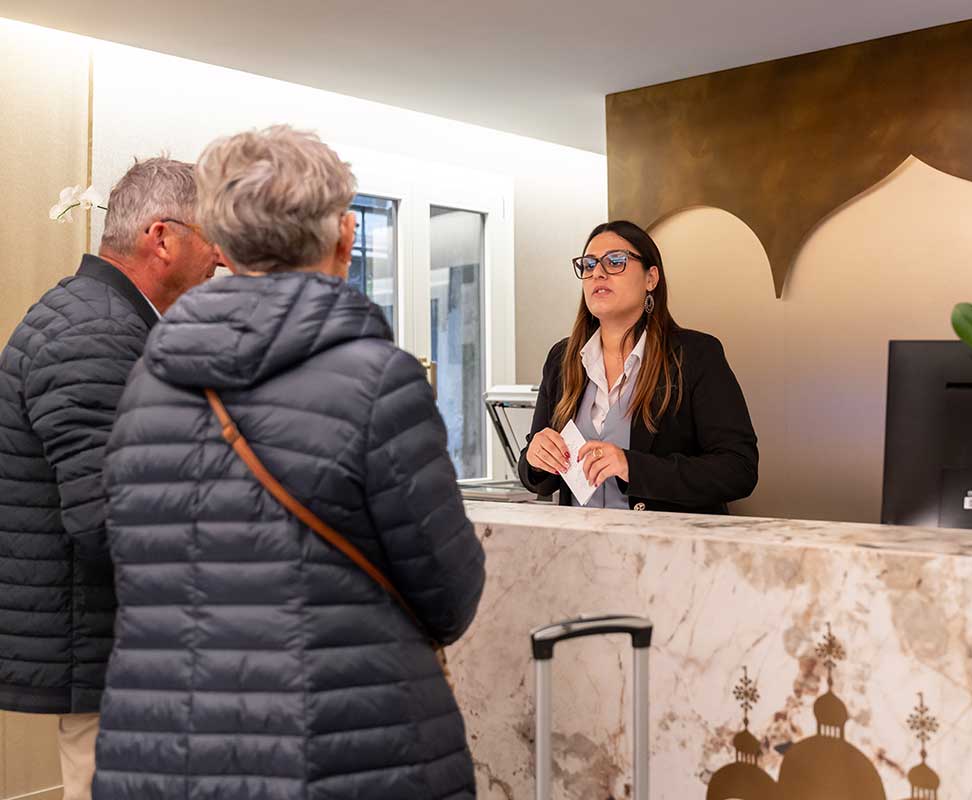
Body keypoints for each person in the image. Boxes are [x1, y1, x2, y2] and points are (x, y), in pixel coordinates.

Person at [91, 125, 485, 800]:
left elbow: (138, 567)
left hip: (164, 747)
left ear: (223, 244)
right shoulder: (378, 381)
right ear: (344, 237)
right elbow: (449, 597)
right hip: (342, 746)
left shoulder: (147, 384)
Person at [0, 158, 219, 800]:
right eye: (213, 236)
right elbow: (110, 518)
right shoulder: (97, 332)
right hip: (113, 656)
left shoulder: (102, 317)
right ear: (162, 237)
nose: (222, 257)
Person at [519, 220, 758, 514]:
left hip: (667, 542)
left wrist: (631, 466)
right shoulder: (561, 359)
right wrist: (535, 459)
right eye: (589, 265)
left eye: (615, 261)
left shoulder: (696, 356)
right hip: (580, 541)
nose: (598, 273)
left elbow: (738, 469)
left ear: (651, 278)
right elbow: (540, 482)